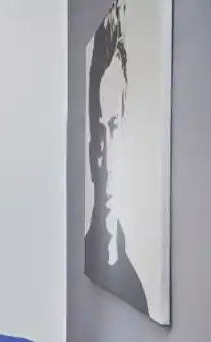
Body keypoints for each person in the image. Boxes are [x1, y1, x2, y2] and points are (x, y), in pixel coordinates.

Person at [84, 0, 149, 316]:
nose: (105, 155)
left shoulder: (136, 290)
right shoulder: (88, 257)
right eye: (99, 135)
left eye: (116, 128)